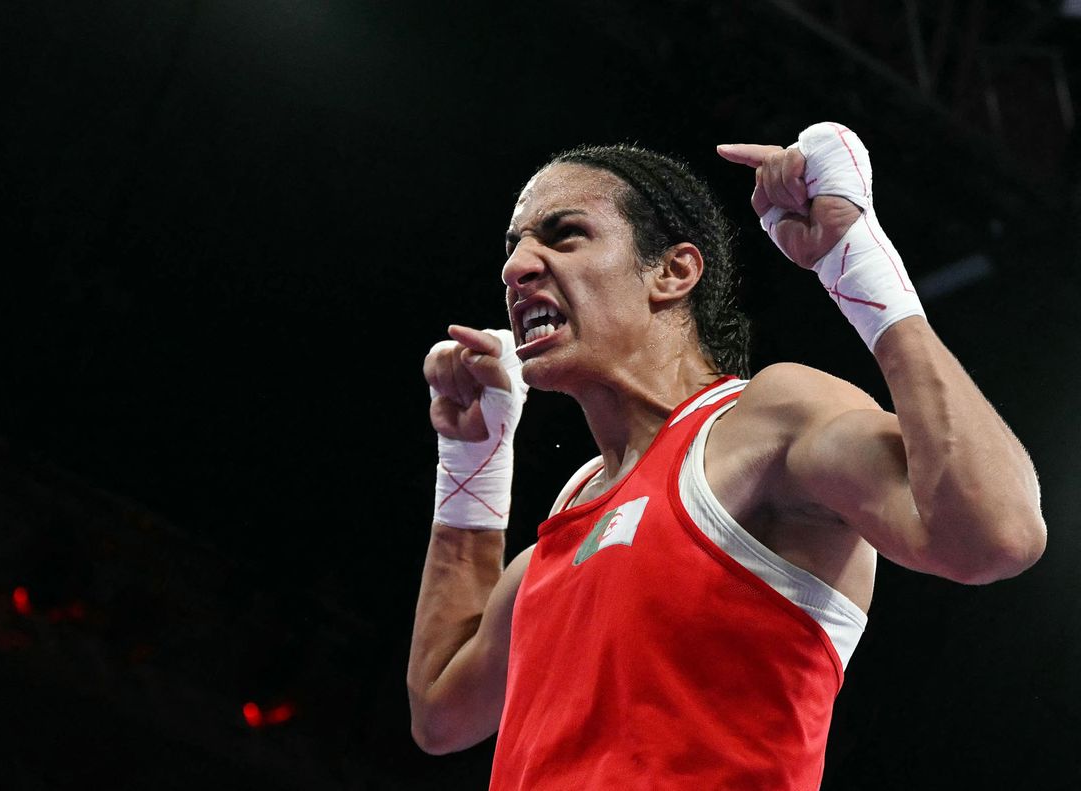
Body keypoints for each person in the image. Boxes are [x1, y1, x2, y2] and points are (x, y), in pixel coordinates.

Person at [407, 122, 1046, 789]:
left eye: (564, 234)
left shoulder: (766, 424)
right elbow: (441, 713)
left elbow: (997, 535)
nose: (516, 268)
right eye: (515, 246)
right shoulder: (574, 511)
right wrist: (473, 459)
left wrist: (857, 259)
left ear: (673, 271)